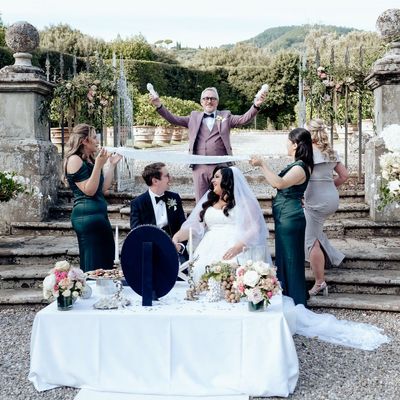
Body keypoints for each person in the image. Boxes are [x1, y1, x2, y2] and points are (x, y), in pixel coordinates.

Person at [150, 87, 267, 202]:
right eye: (206, 98)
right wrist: (159, 105)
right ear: (201, 102)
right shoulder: (193, 117)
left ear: (217, 102)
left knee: (223, 200)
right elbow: (173, 119)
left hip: (221, 167)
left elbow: (243, 119)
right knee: (201, 201)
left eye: (212, 98)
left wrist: (255, 106)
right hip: (199, 167)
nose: (209, 101)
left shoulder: (225, 116)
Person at [172, 166, 271, 283]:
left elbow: (254, 228)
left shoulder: (245, 202)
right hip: (208, 248)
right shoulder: (208, 202)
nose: (212, 180)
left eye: (217, 177)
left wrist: (238, 247)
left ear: (227, 180)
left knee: (231, 273)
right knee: (201, 270)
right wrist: (176, 238)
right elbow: (193, 227)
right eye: (213, 177)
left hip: (236, 246)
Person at [250, 128, 314, 306]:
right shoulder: (298, 164)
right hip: (285, 215)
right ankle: (288, 296)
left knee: (290, 259)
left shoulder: (300, 167)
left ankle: (295, 301)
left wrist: (262, 164)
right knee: (285, 258)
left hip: (289, 217)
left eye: (288, 141)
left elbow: (279, 183)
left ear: (295, 145)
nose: (286, 144)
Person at [64, 123, 122, 272]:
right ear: (84, 140)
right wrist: (98, 165)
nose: (97, 141)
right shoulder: (74, 160)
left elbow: (101, 188)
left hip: (99, 216)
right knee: (94, 264)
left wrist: (111, 165)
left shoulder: (89, 159)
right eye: (94, 137)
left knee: (106, 260)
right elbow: (89, 191)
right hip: (86, 217)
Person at [304, 119, 349, 296]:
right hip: (331, 199)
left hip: (316, 202)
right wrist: (330, 186)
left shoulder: (307, 154)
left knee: (310, 240)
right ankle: (331, 258)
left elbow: (301, 178)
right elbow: (344, 176)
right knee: (315, 232)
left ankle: (319, 282)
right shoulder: (330, 152)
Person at [130, 162, 188, 262]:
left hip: (175, 250)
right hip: (150, 252)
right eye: (167, 176)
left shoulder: (174, 198)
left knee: (185, 269)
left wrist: (180, 246)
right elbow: (137, 232)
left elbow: (183, 225)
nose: (170, 178)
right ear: (155, 181)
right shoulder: (138, 203)